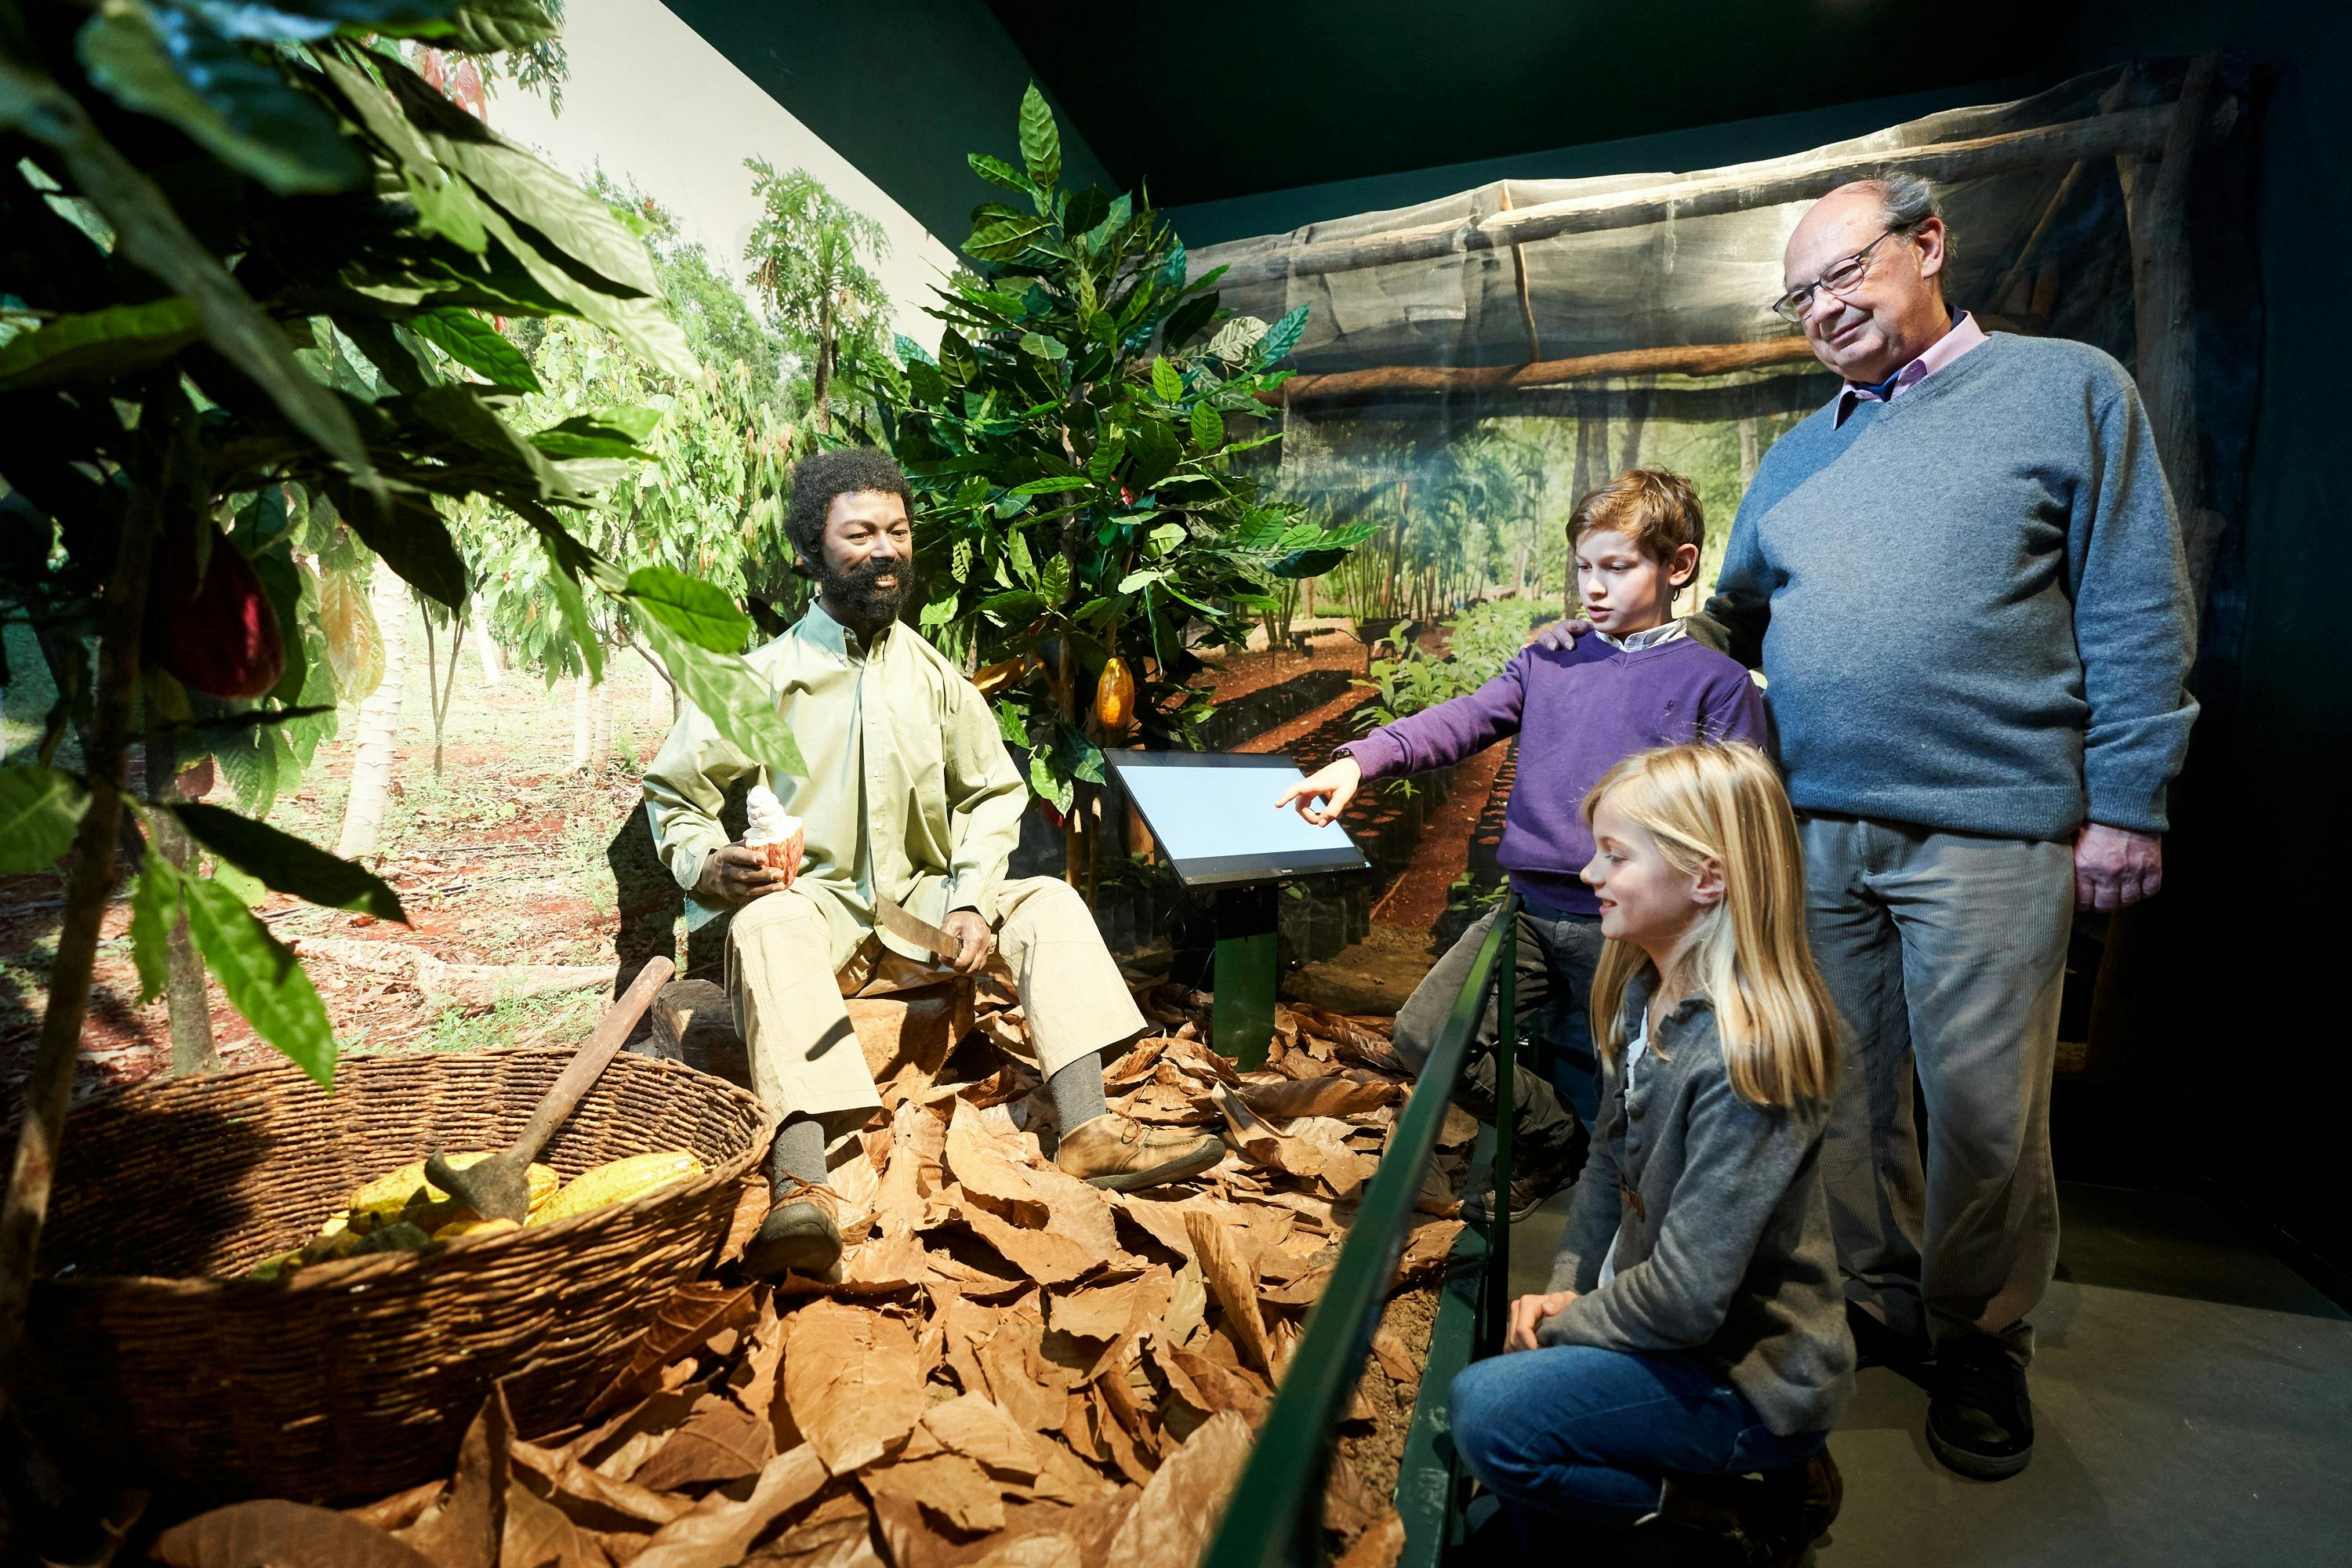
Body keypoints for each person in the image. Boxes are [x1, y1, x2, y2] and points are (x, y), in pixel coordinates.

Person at [1536, 173, 2198, 1479]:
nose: (1823, 310)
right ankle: (1882, 1303)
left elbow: (2135, 604)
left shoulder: (2068, 389)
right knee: (1831, 1096)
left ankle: (1978, 1339)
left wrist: (2128, 802)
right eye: (1801, 297)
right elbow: (1731, 624)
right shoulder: (1801, 453)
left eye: (1843, 275)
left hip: (1994, 829)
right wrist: (1621, 643)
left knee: (1987, 1117)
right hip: (1813, 833)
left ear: (1929, 244)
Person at [643, 448, 1222, 1279]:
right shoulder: (758, 679)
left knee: (1048, 904)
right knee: (765, 919)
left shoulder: (935, 678)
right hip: (818, 932)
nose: (884, 550)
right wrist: (708, 862)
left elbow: (992, 795)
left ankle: (1088, 1126)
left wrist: (972, 903)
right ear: (811, 550)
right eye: (860, 534)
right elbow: (676, 792)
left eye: (898, 531)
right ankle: (802, 1183)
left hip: (924, 930)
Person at [1279, 469, 1766, 1219]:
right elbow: (1467, 719)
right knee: (1426, 1031)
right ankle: (1554, 1144)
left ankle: (1637, 1234)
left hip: (1643, 933)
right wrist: (1359, 760)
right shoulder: (1551, 658)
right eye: (1584, 568)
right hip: (1528, 914)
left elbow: (1738, 823)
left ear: (1680, 566)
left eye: (1618, 567)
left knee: (1641, 1085)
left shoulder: (1718, 684)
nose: (1594, 588)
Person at [1449, 742, 1852, 1567]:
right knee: (1516, 1398)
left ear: (1707, 877)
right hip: (1671, 1327)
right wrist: (1566, 1290)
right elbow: (1606, 1165)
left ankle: (1725, 1508)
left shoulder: (1749, 1058)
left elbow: (1688, 1300)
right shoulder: (1643, 985)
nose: (1589, 872)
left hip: (1747, 1370)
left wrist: (1570, 1326)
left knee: (1485, 1413)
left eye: (1616, 854)